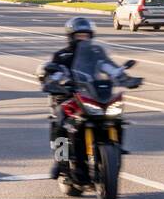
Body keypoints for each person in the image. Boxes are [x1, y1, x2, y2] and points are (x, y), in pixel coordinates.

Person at [41, 16, 139, 178]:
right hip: (68, 96)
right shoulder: (62, 55)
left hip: (91, 94)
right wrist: (53, 82)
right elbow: (55, 73)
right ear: (71, 36)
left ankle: (114, 146)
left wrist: (126, 79)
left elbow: (111, 68)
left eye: (85, 36)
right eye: (79, 36)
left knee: (116, 117)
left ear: (91, 36)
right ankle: (61, 160)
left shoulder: (96, 53)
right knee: (60, 121)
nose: (82, 39)